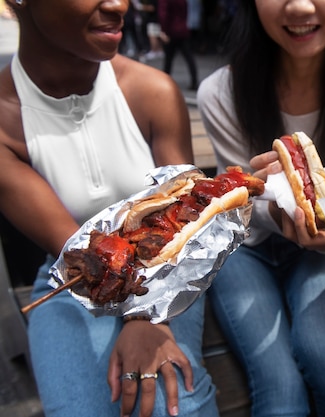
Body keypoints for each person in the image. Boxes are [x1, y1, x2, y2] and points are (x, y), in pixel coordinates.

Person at [0, 1, 219, 416]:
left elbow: (186, 218)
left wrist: (146, 318)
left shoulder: (153, 91)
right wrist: (137, 317)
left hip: (168, 269)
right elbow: (75, 249)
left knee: (177, 406)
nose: (119, 4)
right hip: (73, 273)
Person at [197, 0, 325, 415]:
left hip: (321, 250)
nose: (299, 6)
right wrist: (274, 196)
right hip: (241, 247)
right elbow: (241, 206)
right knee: (280, 389)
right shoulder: (220, 93)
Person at [158, 0, 199, 90]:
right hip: (182, 29)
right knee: (189, 57)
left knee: (168, 59)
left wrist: (164, 30)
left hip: (171, 31)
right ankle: (194, 81)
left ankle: (165, 82)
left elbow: (163, 15)